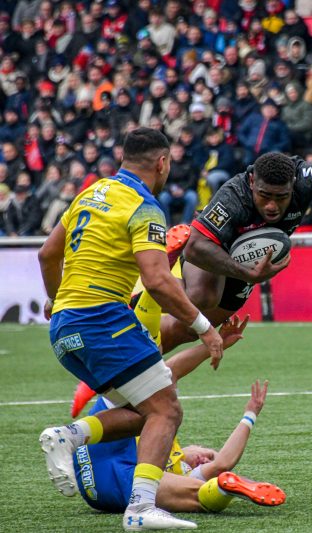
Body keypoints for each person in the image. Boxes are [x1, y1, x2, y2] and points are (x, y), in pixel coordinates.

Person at [37, 128, 224, 531]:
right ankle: (140, 509)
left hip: (65, 327)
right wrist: (205, 328)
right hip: (102, 320)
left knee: (144, 412)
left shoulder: (90, 192)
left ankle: (69, 436)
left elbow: (47, 253)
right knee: (167, 408)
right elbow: (157, 280)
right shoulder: (145, 206)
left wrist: (57, 299)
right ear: (162, 162)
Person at [156, 152, 312, 354]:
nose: (272, 205)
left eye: (281, 197)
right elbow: (196, 247)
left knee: (188, 331)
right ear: (252, 182)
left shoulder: (303, 180)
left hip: (246, 264)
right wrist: (246, 273)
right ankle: (154, 286)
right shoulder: (234, 195)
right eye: (265, 195)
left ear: (293, 185)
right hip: (214, 246)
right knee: (203, 297)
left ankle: (136, 369)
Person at [72, 316, 286, 517]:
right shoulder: (164, 437)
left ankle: (225, 489)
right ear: (195, 444)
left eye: (204, 463)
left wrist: (250, 416)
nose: (203, 459)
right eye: (208, 453)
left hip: (109, 487)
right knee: (154, 381)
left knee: (201, 495)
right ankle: (94, 389)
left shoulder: (180, 472)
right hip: (109, 444)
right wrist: (210, 346)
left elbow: (222, 463)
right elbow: (170, 371)